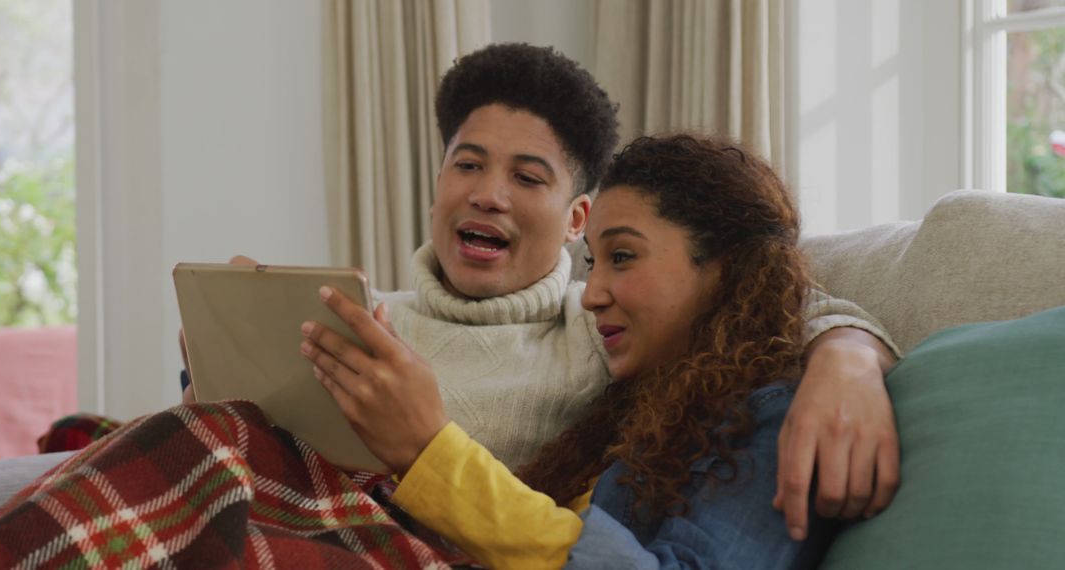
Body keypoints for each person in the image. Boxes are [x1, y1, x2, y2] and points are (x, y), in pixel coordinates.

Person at [192, 43, 900, 538]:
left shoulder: (602, 330)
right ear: (438, 182)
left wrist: (850, 357)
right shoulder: (366, 324)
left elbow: (767, 298)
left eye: (528, 178)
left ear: (575, 220)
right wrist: (231, 356)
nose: (488, 195)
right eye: (466, 165)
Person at [300, 133, 844, 567]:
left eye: (623, 257)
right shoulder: (640, 409)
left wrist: (430, 450)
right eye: (592, 265)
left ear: (724, 270)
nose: (593, 294)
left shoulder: (774, 421)